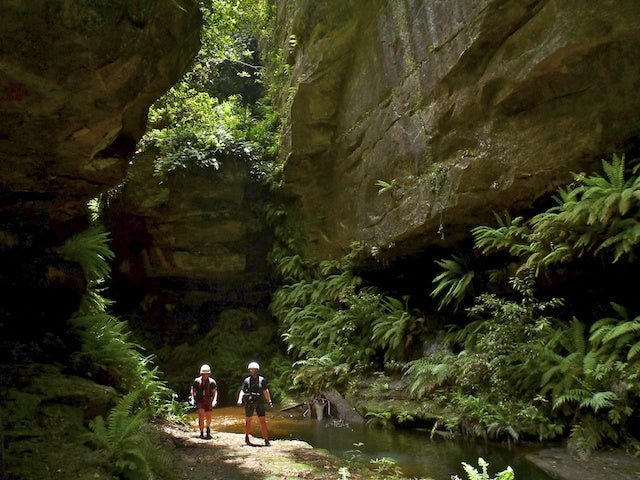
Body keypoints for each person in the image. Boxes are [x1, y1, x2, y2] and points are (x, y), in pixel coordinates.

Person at [236, 361, 272, 446]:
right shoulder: (247, 380)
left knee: (262, 421)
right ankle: (247, 437)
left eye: (252, 369)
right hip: (250, 401)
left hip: (259, 401)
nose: (251, 371)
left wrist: (269, 400)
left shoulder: (262, 380)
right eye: (250, 369)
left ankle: (266, 440)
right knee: (248, 420)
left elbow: (265, 390)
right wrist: (240, 399)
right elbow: (243, 391)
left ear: (256, 370)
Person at [189, 364, 218, 439]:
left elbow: (215, 392)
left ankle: (208, 428)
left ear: (209, 374)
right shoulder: (197, 381)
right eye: (203, 373)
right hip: (200, 400)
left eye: (206, 373)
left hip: (208, 400)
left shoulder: (212, 382)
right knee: (201, 416)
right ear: (201, 373)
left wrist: (214, 400)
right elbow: (193, 390)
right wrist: (192, 398)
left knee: (208, 416)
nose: (205, 375)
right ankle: (201, 432)